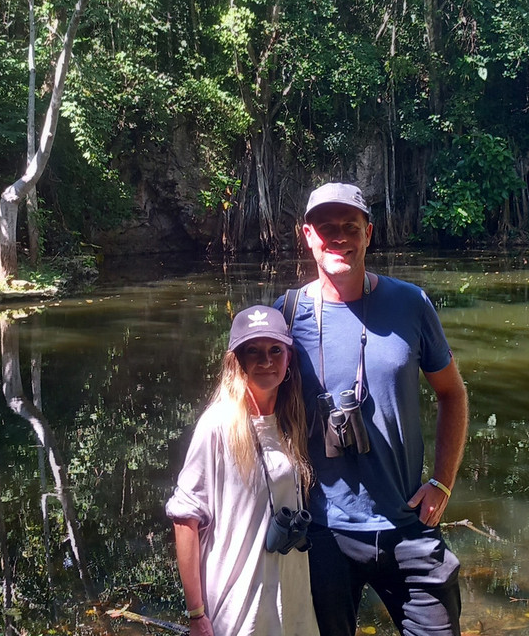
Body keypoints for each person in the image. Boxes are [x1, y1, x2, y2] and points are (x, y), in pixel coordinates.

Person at [276, 182, 469, 636]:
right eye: (326, 227)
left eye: (350, 226)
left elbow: (453, 394)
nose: (338, 236)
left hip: (407, 523)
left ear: (369, 233)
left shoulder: (411, 303)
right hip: (322, 532)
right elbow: (251, 408)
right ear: (308, 236)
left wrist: (442, 481)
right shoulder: (286, 314)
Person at [166, 305, 320, 636]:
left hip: (290, 598)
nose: (266, 360)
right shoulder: (218, 425)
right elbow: (184, 520)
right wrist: (196, 613)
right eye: (254, 351)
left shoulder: (290, 422)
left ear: (288, 359)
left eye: (275, 350)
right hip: (238, 607)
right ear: (237, 361)